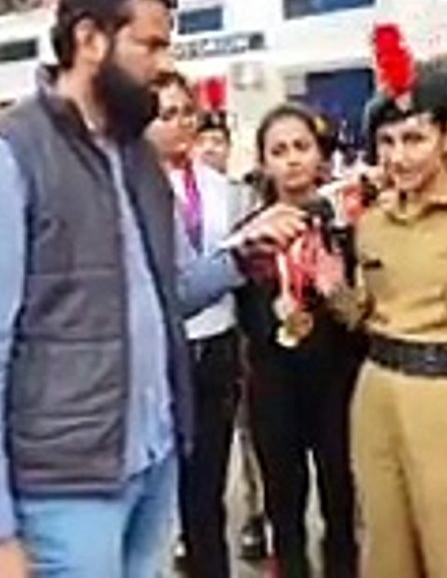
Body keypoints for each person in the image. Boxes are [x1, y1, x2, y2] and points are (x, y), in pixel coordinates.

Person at [0, 0, 308, 578]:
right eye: (152, 44)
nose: (165, 64)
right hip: (64, 487)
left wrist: (244, 257)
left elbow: (168, 294)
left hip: (153, 462)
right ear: (89, 40)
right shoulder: (2, 158)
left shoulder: (137, 154)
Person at [318, 43, 447, 577]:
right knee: (385, 553)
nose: (398, 156)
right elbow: (367, 315)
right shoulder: (375, 220)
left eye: (414, 138)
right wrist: (334, 291)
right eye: (386, 142)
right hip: (377, 398)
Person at [237, 103, 364, 578]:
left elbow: (364, 320)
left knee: (340, 504)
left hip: (337, 384)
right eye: (279, 150)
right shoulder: (248, 238)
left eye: (301, 148)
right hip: (273, 388)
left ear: (319, 156)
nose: (292, 160)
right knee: (284, 511)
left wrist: (337, 290)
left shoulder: (349, 232)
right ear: (263, 163)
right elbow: (242, 318)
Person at [145, 71, 248, 578]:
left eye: (187, 112)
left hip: (219, 345)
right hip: (166, 350)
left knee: (207, 490)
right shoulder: (136, 190)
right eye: (166, 115)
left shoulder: (221, 187)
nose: (180, 124)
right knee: (164, 490)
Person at [191, 108, 271, 561]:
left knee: (248, 434)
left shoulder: (239, 197)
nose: (210, 148)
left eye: (217, 139)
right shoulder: (157, 190)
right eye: (204, 138)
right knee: (198, 464)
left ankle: (256, 514)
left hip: (234, 332)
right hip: (185, 338)